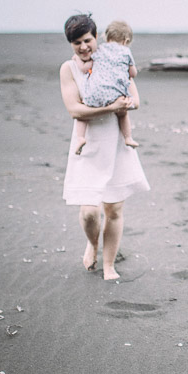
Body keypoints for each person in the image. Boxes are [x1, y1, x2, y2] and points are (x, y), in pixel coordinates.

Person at [59, 14, 150, 280]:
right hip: (86, 145)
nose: (84, 47)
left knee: (114, 209)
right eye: (77, 43)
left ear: (96, 37)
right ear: (71, 44)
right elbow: (74, 110)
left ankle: (109, 264)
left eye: (87, 40)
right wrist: (110, 106)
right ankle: (93, 243)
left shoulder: (113, 58)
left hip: (115, 142)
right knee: (89, 212)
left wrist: (124, 105)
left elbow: (135, 100)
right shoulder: (69, 68)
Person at [74, 19, 139, 155]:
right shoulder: (126, 52)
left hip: (94, 92)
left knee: (83, 115)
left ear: (106, 36)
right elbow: (133, 73)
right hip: (115, 95)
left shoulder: (100, 49)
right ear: (126, 40)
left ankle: (80, 138)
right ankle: (128, 137)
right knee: (123, 114)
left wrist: (77, 60)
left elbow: (86, 68)